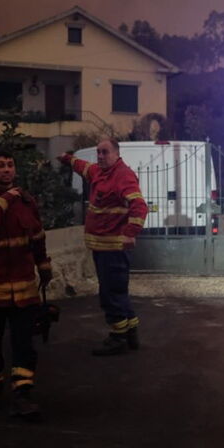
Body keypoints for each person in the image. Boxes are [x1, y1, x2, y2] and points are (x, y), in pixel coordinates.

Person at [0, 150, 52, 420]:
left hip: (25, 293)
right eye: (0, 166)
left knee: (24, 345)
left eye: (10, 166)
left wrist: (44, 265)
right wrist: (7, 197)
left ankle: (22, 395)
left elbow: (37, 236)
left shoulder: (27, 202)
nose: (6, 170)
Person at [58, 139, 147, 355]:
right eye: (98, 152)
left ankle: (118, 338)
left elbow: (139, 206)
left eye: (105, 152)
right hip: (103, 247)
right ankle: (131, 332)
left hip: (113, 248)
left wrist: (130, 233)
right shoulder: (99, 172)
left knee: (110, 293)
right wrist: (68, 159)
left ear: (116, 153)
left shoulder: (122, 175)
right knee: (118, 292)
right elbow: (83, 167)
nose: (100, 156)